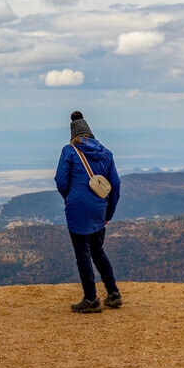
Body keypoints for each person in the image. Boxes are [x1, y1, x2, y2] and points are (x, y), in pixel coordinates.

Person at [54, 111, 122, 313]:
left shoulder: (70, 151)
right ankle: (113, 293)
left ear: (73, 135)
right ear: (90, 133)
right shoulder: (106, 153)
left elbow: (60, 181)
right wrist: (108, 213)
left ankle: (91, 299)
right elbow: (115, 186)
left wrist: (71, 197)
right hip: (99, 209)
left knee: (83, 254)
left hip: (77, 209)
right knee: (98, 251)